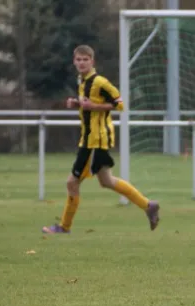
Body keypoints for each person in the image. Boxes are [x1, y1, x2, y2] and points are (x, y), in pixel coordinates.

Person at [42, 45, 160, 234]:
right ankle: (148, 205)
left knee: (72, 182)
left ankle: (64, 226)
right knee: (107, 181)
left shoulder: (100, 82)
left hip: (94, 141)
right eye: (78, 59)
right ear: (74, 61)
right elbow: (88, 105)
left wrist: (93, 106)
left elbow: (120, 105)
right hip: (91, 140)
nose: (81, 63)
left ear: (92, 61)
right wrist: (77, 104)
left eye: (85, 59)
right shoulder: (82, 81)